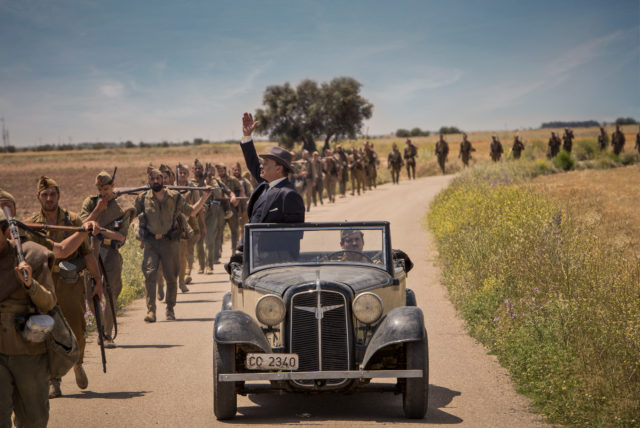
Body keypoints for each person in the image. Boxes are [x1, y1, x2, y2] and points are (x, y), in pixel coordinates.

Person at [30, 176, 103, 398]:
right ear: (38, 197)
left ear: (59, 195)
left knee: (77, 329)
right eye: (45, 194)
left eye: (53, 194)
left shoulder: (72, 221)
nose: (49, 198)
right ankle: (54, 380)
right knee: (46, 332)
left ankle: (77, 362)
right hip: (44, 285)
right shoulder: (31, 224)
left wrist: (98, 281)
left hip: (70, 285)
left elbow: (87, 255)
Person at [0, 208, 57, 428]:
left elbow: (49, 302)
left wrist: (30, 284)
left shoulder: (32, 256)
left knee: (34, 419)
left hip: (28, 352)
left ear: (6, 232)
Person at [135, 166, 211, 323]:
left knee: (171, 277)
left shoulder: (174, 197)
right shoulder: (142, 199)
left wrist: (204, 197)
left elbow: (190, 212)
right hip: (151, 243)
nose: (156, 181)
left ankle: (170, 309)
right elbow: (136, 219)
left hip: (170, 242)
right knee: (150, 274)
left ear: (163, 179)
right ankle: (151, 311)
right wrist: (139, 234)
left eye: (158, 178)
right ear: (148, 181)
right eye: (152, 179)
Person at [80, 171, 135, 348]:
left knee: (111, 293)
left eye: (106, 188)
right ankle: (100, 327)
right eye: (100, 189)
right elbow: (81, 225)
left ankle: (107, 334)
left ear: (113, 185)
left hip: (111, 253)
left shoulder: (122, 206)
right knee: (91, 294)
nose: (103, 192)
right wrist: (97, 210)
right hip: (92, 252)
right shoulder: (90, 202)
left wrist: (101, 230)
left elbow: (121, 236)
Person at [175, 163, 201, 292]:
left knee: (187, 251)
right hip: (173, 223)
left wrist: (197, 228)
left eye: (185, 173)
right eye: (180, 172)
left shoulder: (192, 188)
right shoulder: (171, 187)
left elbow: (196, 209)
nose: (182, 175)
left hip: (188, 221)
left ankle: (185, 275)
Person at [216, 164, 243, 253]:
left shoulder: (233, 180)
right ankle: (218, 250)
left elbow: (240, 190)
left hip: (232, 208)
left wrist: (237, 204)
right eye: (219, 170)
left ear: (225, 170)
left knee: (234, 230)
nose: (220, 172)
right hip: (220, 209)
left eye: (221, 170)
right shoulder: (216, 181)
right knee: (219, 230)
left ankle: (234, 249)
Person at [190, 159, 208, 274]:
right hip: (190, 213)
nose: (197, 170)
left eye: (199, 168)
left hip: (202, 213)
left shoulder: (205, 182)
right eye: (196, 168)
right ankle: (188, 268)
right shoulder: (190, 183)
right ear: (192, 170)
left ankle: (202, 265)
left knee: (200, 243)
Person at [232, 162, 253, 239]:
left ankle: (243, 245)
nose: (237, 172)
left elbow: (251, 190)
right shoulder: (230, 180)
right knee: (234, 229)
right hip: (233, 207)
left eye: (238, 170)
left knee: (243, 227)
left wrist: (249, 200)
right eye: (235, 170)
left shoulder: (245, 181)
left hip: (244, 207)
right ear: (232, 170)